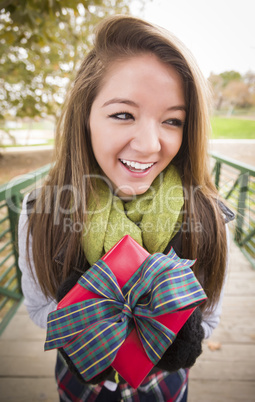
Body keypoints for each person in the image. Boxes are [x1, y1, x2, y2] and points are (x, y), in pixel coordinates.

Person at [18, 15, 234, 402]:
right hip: (79, 388)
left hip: (165, 390)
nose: (150, 144)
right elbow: (37, 307)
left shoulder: (208, 218)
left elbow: (210, 318)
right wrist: (85, 321)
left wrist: (166, 337)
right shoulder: (41, 213)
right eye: (123, 114)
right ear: (86, 116)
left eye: (172, 120)